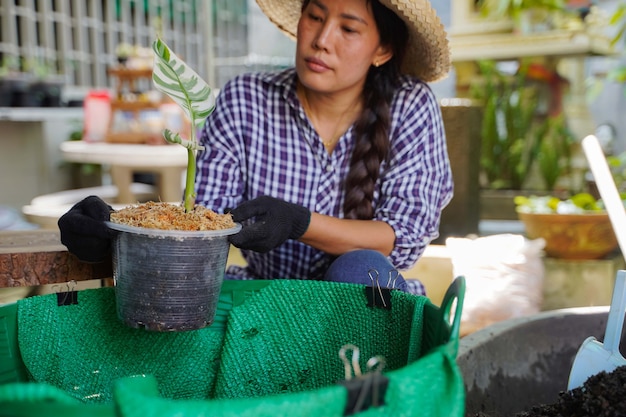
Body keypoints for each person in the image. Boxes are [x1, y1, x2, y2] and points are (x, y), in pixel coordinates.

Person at [59, 0, 453, 295]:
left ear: (382, 49)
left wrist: (298, 223)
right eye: (315, 16)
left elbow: (403, 236)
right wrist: (114, 228)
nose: (321, 40)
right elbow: (203, 218)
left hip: (365, 298)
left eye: (348, 29)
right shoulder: (247, 99)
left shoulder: (409, 104)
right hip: (266, 296)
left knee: (361, 268)